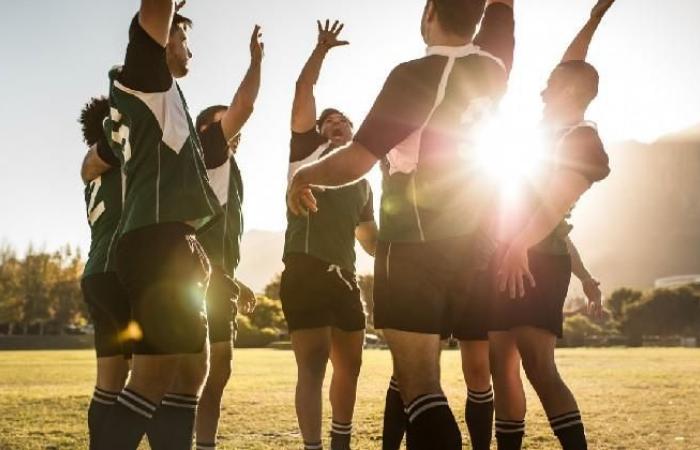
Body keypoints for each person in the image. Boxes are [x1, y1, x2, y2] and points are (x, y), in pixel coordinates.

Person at [287, 1, 515, 448]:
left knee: (421, 386)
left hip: (415, 242)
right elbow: (503, 12)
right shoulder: (495, 66)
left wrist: (304, 174)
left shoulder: (414, 74)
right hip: (474, 244)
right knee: (434, 378)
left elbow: (357, 159)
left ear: (429, 12)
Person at [83, 1, 222, 448]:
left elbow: (89, 166)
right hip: (158, 243)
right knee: (150, 381)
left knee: (189, 375)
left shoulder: (159, 96)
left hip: (172, 241)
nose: (189, 52)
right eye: (183, 40)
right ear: (162, 40)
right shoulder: (145, 79)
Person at [489, 1, 615, 449]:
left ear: (567, 94)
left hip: (536, 258)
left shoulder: (581, 138)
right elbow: (571, 63)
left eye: (549, 86)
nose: (541, 92)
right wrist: (594, 18)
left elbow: (556, 203)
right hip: (508, 254)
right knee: (500, 364)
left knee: (538, 367)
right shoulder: (545, 130)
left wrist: (519, 244)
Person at [283, 19, 378, 450]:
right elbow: (304, 90)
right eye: (329, 122)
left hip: (345, 277)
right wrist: (320, 50)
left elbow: (370, 240)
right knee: (313, 367)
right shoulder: (305, 154)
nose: (336, 124)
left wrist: (405, 254)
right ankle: (313, 447)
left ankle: (341, 441)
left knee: (351, 365)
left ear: (354, 132)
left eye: (344, 122)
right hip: (305, 269)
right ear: (319, 132)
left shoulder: (363, 181)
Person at [191, 25, 264, 450]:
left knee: (219, 368)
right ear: (206, 127)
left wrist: (236, 279)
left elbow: (218, 230)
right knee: (193, 368)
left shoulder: (231, 170)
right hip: (195, 278)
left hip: (221, 277)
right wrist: (255, 62)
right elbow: (246, 104)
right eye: (225, 119)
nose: (235, 126)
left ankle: (204, 444)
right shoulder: (208, 147)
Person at [78, 96, 131, 449]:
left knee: (109, 382)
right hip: (121, 272)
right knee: (153, 378)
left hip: (97, 273)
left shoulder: (93, 176)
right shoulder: (117, 151)